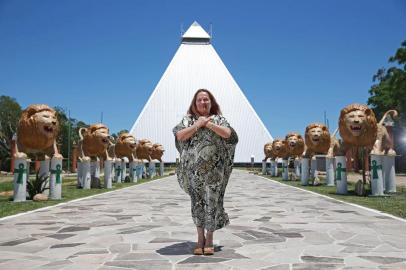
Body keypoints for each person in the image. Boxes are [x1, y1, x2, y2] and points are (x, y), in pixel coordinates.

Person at [173, 89, 238, 255]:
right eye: (200, 100)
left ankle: (209, 238)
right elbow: (179, 135)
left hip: (215, 172)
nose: (203, 102)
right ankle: (199, 238)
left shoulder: (219, 119)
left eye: (206, 99)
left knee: (212, 203)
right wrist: (197, 125)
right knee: (197, 203)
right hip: (194, 172)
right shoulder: (188, 120)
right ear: (195, 104)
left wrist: (208, 124)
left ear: (211, 102)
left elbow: (228, 134)